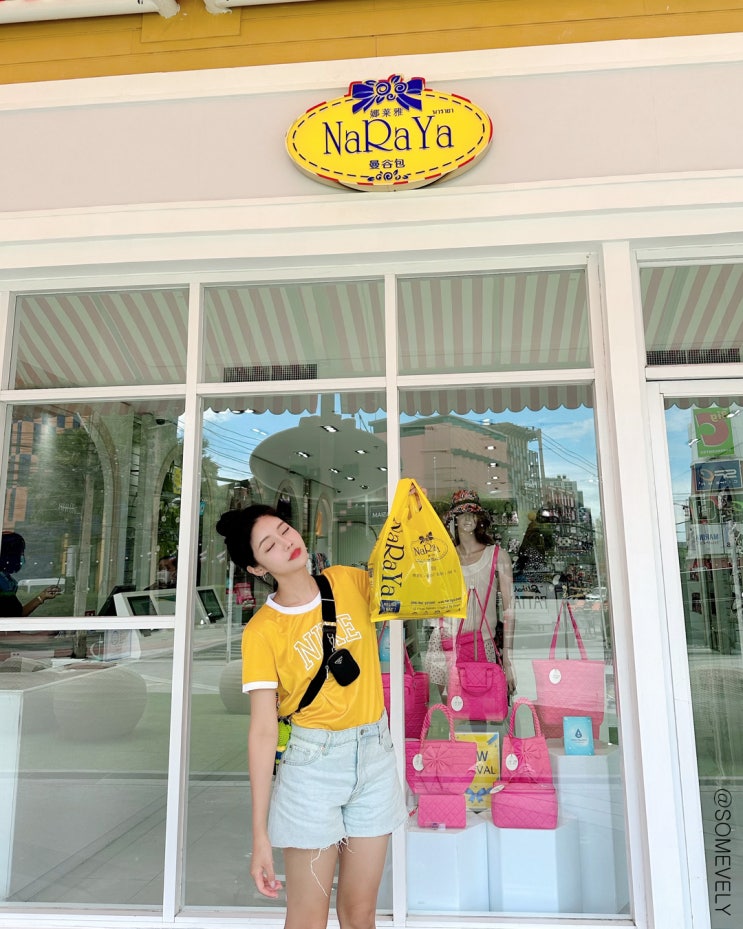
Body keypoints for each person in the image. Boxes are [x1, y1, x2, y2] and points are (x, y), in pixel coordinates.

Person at [216, 503, 407, 929]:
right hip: (311, 768)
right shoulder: (262, 631)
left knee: (361, 914)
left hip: (374, 757)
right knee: (307, 918)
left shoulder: (347, 581)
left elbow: (406, 584)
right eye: (269, 545)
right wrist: (260, 834)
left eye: (284, 530)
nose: (286, 543)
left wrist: (413, 520)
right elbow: (263, 731)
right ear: (257, 567)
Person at [425, 490, 516, 696]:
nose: (468, 519)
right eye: (462, 514)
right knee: (452, 707)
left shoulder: (497, 556)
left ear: (479, 518)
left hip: (482, 643)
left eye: (473, 514)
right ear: (454, 520)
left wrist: (508, 660)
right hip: (447, 642)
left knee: (482, 706)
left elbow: (509, 611)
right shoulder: (444, 557)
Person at [0, 531, 61, 617]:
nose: (22, 557)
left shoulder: (7, 582)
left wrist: (42, 596)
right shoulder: (3, 584)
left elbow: (17, 614)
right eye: (20, 553)